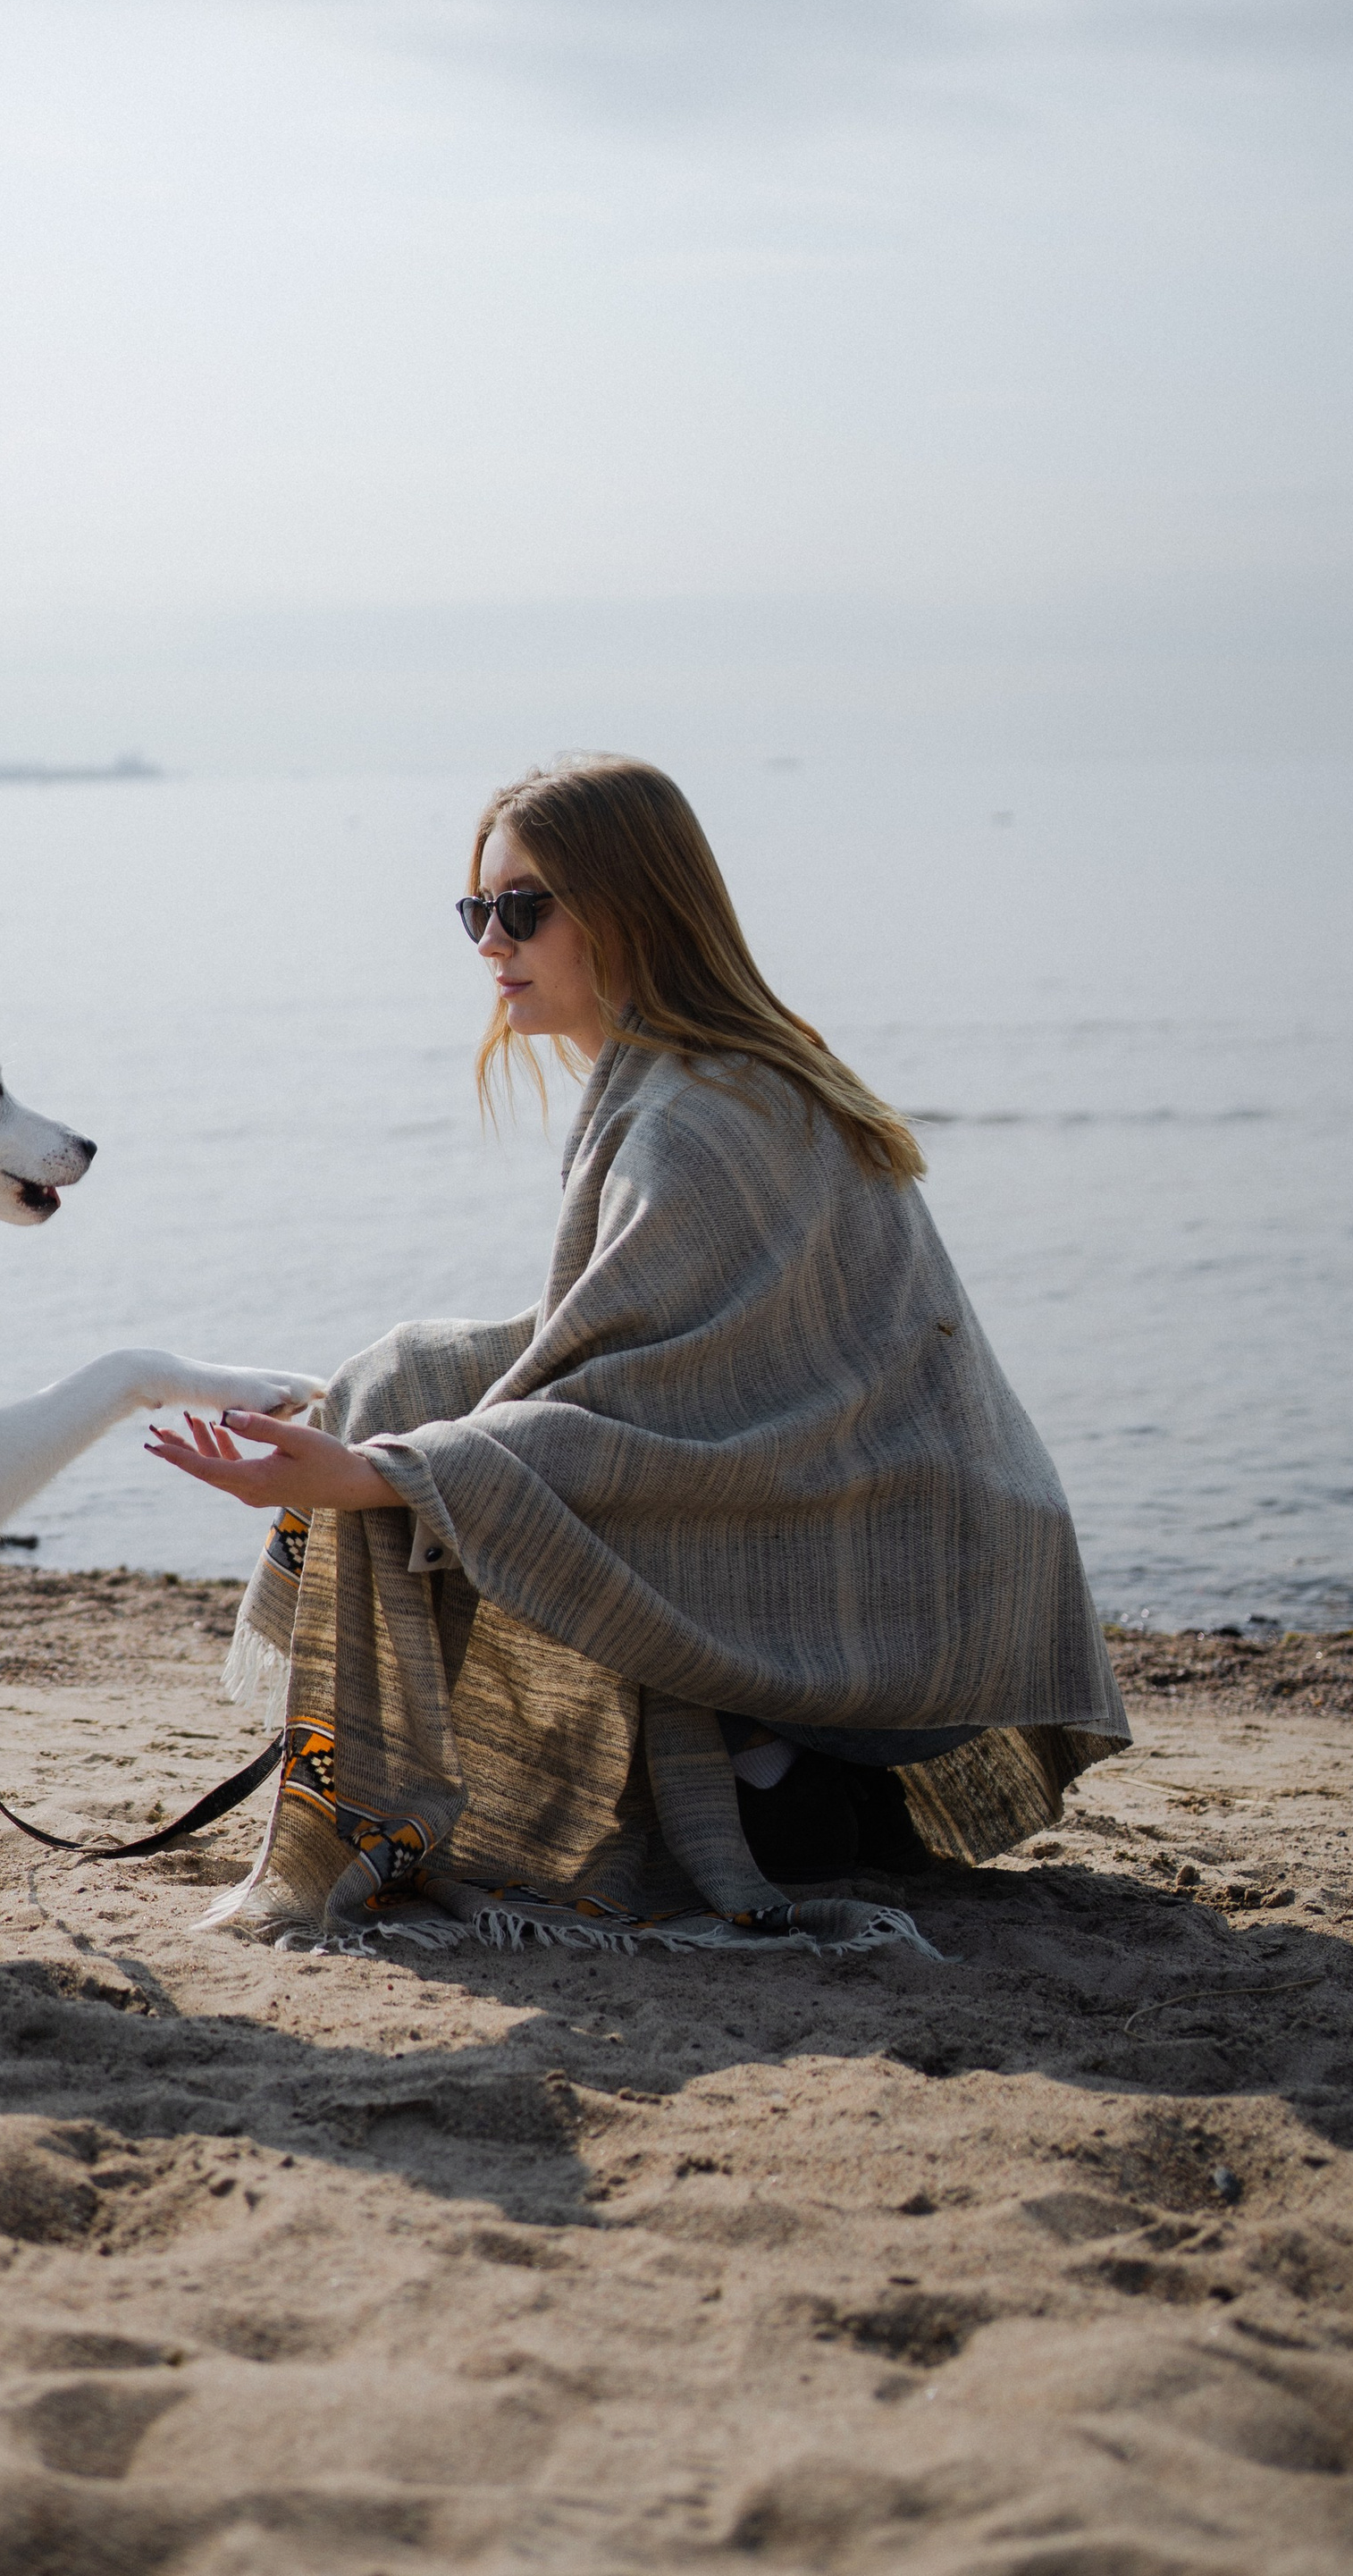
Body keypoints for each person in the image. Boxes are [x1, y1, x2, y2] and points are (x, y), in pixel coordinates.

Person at [147, 753, 1129, 1951]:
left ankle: (768, 1784)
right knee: (414, 1379)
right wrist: (381, 1421)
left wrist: (378, 1469)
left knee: (425, 1416)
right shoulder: (695, 1076)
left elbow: (642, 1418)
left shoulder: (695, 1121)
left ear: (630, 909)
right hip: (899, 1560)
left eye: (523, 908)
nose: (489, 944)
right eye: (476, 911)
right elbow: (637, 1371)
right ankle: (736, 1769)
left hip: (899, 1602)